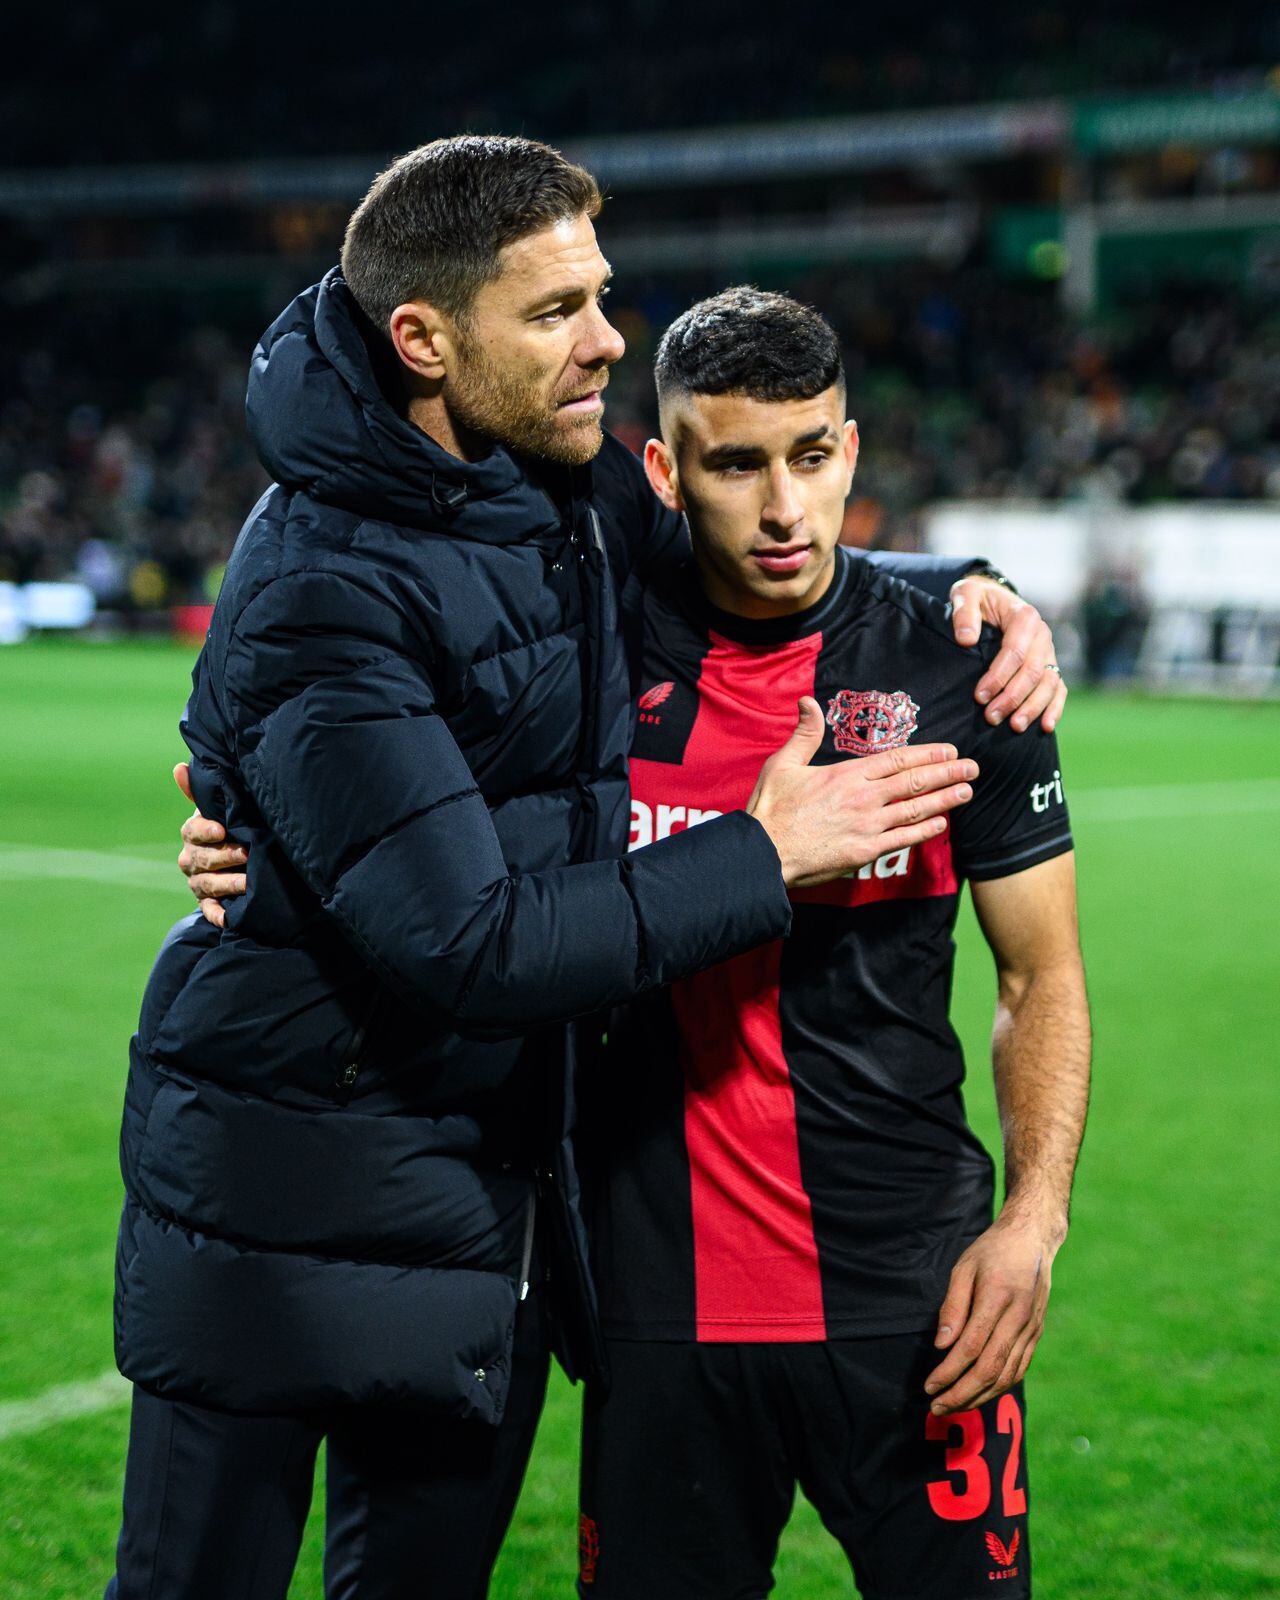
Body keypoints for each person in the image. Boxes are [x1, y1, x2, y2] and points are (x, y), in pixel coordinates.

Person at [133, 136, 1066, 1600]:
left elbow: (781, 545)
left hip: (489, 1222)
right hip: (289, 1199)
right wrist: (760, 852)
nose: (606, 339)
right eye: (560, 309)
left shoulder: (557, 490)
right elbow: (475, 942)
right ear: (427, 340)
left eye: (603, 294)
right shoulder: (324, 568)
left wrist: (978, 597)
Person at [576, 288, 1091, 1600]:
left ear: (851, 450)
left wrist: (1034, 1223)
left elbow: (1042, 975)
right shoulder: (585, 658)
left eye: (811, 457)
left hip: (917, 1305)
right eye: (735, 464)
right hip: (656, 1307)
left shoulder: (959, 661)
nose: (784, 509)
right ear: (666, 470)